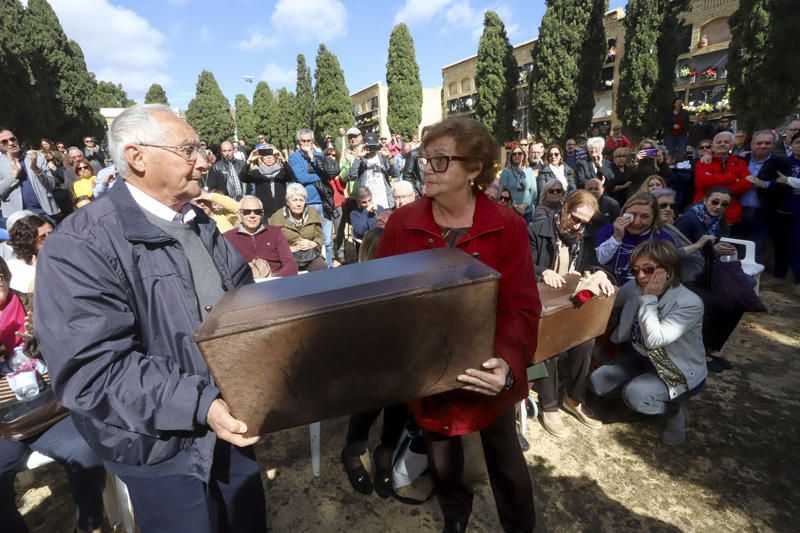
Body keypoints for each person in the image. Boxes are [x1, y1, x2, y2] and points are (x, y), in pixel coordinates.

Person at [33, 104, 267, 533]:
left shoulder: (200, 223)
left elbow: (240, 302)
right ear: (137, 157)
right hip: (158, 446)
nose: (204, 159)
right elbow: (92, 370)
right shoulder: (79, 246)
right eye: (188, 149)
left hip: (229, 423)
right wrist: (201, 405)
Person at [375, 117, 540, 533]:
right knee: (443, 458)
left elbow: (520, 306)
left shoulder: (508, 226)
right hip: (427, 371)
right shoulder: (402, 224)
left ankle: (519, 527)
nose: (427, 168)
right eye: (426, 159)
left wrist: (506, 363)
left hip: (488, 371)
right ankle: (455, 518)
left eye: (441, 160)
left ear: (475, 170)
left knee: (506, 460)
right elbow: (379, 297)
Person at [0, 256, 107, 533]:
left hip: (49, 410)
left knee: (85, 449)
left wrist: (37, 339)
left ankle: (89, 524)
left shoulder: (34, 305)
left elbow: (69, 349)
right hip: (3, 424)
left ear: (6, 278)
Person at [589, 240, 706, 446]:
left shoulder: (689, 302)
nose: (641, 276)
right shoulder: (635, 285)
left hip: (674, 367)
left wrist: (650, 299)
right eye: (636, 270)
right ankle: (640, 395)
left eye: (649, 269)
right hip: (639, 357)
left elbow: (654, 341)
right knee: (599, 382)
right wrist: (598, 280)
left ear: (668, 269)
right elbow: (612, 301)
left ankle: (674, 411)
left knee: (635, 395)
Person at [528, 190, 614, 437]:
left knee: (585, 342)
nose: (577, 226)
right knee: (549, 347)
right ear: (564, 207)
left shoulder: (584, 237)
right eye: (575, 218)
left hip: (572, 304)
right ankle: (549, 405)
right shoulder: (536, 230)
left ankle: (573, 399)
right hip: (540, 307)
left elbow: (594, 264)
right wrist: (542, 273)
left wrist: (599, 274)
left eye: (585, 223)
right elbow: (520, 264)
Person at [339, 225, 408, 498]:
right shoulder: (354, 281)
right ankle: (353, 452)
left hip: (400, 357)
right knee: (368, 405)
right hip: (367, 362)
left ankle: (385, 453)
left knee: (400, 403)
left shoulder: (402, 277)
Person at [595, 192, 678, 285]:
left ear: (654, 218)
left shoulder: (664, 239)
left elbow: (669, 275)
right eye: (632, 215)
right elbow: (600, 260)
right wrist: (616, 237)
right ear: (623, 212)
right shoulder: (609, 230)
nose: (636, 222)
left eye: (644, 217)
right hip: (607, 287)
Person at [737, 130, 792, 264]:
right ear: (751, 144)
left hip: (763, 213)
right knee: (734, 246)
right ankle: (733, 279)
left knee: (756, 249)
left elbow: (787, 189)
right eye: (759, 143)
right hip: (738, 211)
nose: (763, 146)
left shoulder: (781, 163)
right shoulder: (741, 160)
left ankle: (752, 281)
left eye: (767, 143)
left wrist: (765, 184)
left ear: (773, 145)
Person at [289, 128, 334, 267]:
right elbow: (301, 177)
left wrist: (313, 158)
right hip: (306, 203)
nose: (306, 144)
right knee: (310, 238)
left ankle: (330, 267)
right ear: (298, 142)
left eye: (309, 141)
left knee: (327, 239)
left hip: (323, 201)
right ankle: (315, 267)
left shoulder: (319, 155)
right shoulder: (294, 157)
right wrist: (321, 176)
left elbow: (330, 173)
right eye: (303, 141)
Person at [223, 195, 297, 278]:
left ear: (262, 215)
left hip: (276, 282)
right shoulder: (228, 238)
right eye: (247, 212)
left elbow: (290, 263)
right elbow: (224, 269)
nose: (252, 215)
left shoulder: (275, 232)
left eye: (257, 212)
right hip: (245, 286)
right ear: (239, 215)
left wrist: (276, 278)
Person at [693, 131, 753, 228]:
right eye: (719, 142)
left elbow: (747, 183)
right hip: (704, 213)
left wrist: (714, 183)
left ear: (732, 146)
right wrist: (733, 178)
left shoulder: (740, 163)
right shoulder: (704, 161)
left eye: (726, 142)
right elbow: (702, 182)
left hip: (730, 214)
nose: (722, 144)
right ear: (713, 146)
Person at [0, 129, 61, 220]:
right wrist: (14, 174)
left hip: (44, 212)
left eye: (12, 139)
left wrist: (36, 169)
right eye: (4, 142)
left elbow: (51, 185)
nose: (11, 143)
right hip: (17, 217)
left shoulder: (36, 156)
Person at [268, 182, 326, 272]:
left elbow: (320, 235)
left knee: (321, 267)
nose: (298, 204)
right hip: (287, 256)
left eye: (301, 200)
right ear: (288, 202)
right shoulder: (277, 217)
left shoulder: (312, 213)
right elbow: (271, 242)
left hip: (310, 254)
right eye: (294, 200)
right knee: (289, 271)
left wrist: (313, 243)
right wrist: (287, 249)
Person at [771, 131, 800, 291]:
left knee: (797, 245)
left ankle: (798, 279)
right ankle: (779, 276)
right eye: (797, 142)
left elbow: (784, 181)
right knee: (780, 244)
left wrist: (789, 180)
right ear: (791, 144)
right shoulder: (784, 162)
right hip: (782, 209)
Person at [238, 143, 294, 218]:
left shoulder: (282, 172)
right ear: (261, 158)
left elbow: (291, 176)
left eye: (271, 155)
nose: (269, 158)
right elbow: (242, 178)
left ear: (276, 156)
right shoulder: (257, 173)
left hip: (282, 211)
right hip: (265, 212)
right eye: (266, 155)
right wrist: (249, 161)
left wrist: (283, 160)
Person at [348, 133, 395, 210]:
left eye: (373, 145)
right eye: (369, 146)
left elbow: (395, 173)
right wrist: (358, 158)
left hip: (385, 201)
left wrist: (390, 158)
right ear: (364, 146)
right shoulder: (360, 159)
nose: (371, 149)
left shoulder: (382, 157)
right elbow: (351, 176)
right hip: (368, 203)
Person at [7, 214, 52, 294]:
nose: (50, 239)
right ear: (27, 241)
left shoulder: (63, 254)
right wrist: (41, 269)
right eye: (42, 237)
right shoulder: (13, 267)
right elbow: (30, 294)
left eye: (51, 233)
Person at [499, 146, 537, 222]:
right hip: (510, 211)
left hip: (527, 211)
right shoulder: (506, 172)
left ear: (523, 156)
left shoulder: (529, 171)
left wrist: (524, 206)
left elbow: (534, 192)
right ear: (511, 157)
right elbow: (502, 192)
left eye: (519, 153)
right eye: (514, 154)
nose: (517, 155)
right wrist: (515, 207)